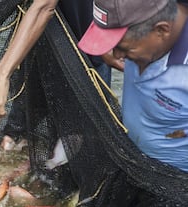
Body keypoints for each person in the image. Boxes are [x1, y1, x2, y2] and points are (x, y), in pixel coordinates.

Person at [0, 0, 124, 141]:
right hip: (37, 44)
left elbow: (44, 8)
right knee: (15, 133)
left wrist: (1, 75)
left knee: (83, 138)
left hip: (87, 49)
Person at [78, 0, 188, 172]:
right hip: (133, 159)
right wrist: (105, 45)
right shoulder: (138, 30)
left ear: (161, 30)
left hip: (177, 179)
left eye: (123, 48)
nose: (117, 55)